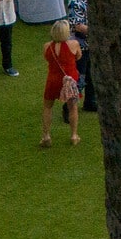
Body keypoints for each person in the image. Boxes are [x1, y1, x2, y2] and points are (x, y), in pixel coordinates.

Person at [40, 19, 82, 147]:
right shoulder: (74, 44)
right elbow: (78, 56)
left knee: (48, 107)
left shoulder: (47, 46)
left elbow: (47, 58)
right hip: (69, 81)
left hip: (53, 79)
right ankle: (74, 135)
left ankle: (46, 136)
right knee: (73, 108)